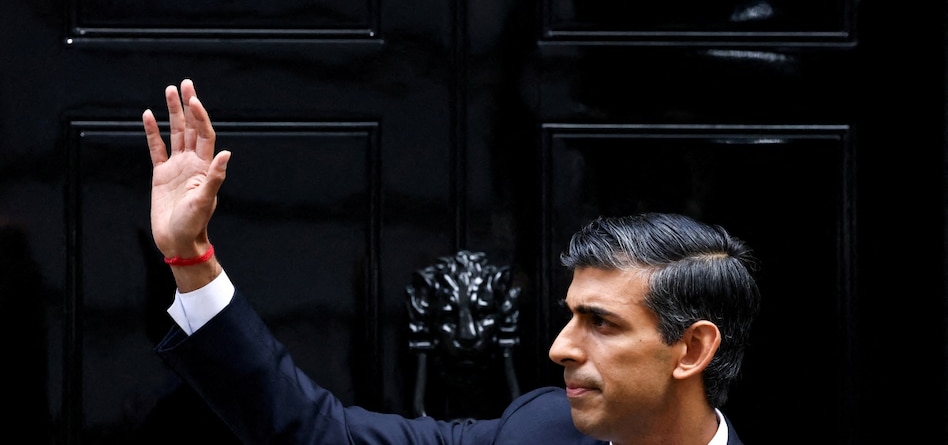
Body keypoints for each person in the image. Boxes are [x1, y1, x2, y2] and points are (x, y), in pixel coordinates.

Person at [142, 79, 761, 444]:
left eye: (602, 323)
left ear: (691, 349)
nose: (559, 348)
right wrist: (190, 257)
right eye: (571, 316)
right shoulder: (539, 429)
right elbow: (318, 433)